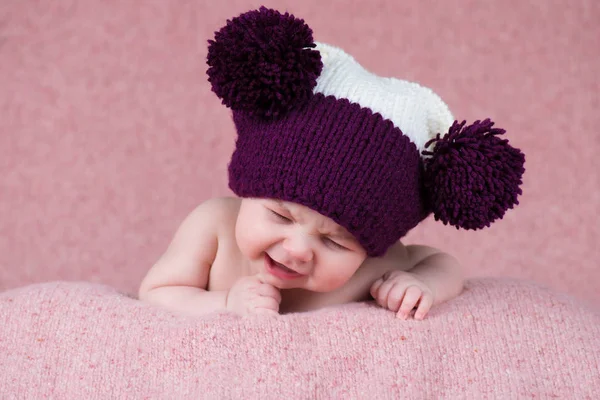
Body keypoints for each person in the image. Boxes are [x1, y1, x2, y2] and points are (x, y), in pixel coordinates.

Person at [138, 7, 525, 319]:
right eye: (281, 216)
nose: (297, 250)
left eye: (333, 241)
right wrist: (222, 304)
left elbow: (442, 262)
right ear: (248, 190)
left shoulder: (374, 266)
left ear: (371, 247)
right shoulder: (215, 228)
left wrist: (421, 286)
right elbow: (156, 291)